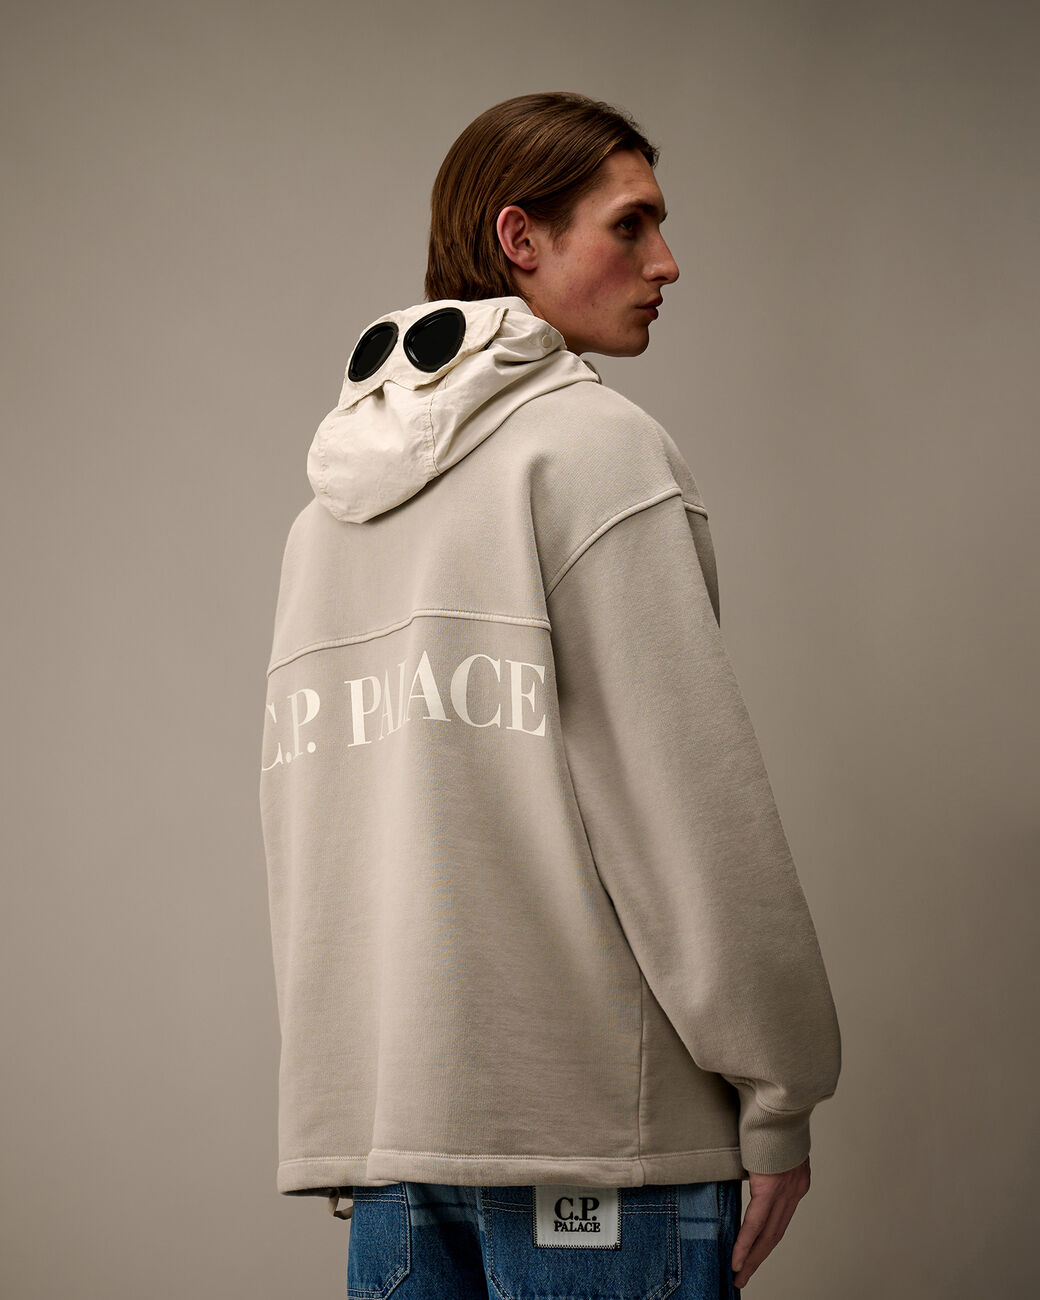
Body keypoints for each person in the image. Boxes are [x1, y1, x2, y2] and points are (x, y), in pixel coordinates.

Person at [258, 91, 841, 1297]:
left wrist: (354, 1111)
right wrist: (778, 1094)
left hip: (394, 1146)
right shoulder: (594, 452)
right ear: (519, 238)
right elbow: (686, 807)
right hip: (601, 1140)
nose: (665, 263)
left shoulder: (323, 520)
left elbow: (313, 842)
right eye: (629, 225)